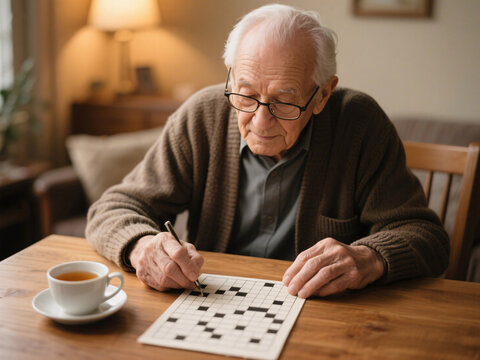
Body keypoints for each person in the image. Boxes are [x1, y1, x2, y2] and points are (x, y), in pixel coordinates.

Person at [86, 4, 449, 298]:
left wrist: (369, 257)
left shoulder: (359, 124)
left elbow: (425, 235)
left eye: (284, 102)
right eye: (245, 94)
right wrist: (140, 246)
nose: (260, 122)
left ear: (322, 94)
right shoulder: (203, 115)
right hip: (213, 304)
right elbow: (112, 208)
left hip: (326, 318)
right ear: (230, 74)